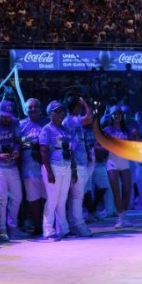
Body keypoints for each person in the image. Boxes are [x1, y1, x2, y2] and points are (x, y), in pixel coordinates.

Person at [0, 99, 25, 240]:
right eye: (4, 116)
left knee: (17, 196)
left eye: (9, 116)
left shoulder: (15, 123)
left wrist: (16, 150)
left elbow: (18, 141)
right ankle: (1, 229)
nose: (6, 119)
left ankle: (12, 226)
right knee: (1, 197)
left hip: (12, 164)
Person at [38, 100, 76, 241]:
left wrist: (73, 168)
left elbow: (70, 150)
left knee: (62, 198)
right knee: (52, 198)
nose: (60, 113)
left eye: (61, 111)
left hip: (66, 165)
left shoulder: (66, 129)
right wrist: (49, 171)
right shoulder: (46, 129)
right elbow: (43, 151)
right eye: (56, 111)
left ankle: (63, 229)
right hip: (53, 166)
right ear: (50, 114)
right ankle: (48, 230)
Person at [103, 105, 137, 229]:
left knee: (127, 189)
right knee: (116, 190)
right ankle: (120, 218)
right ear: (111, 116)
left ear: (122, 116)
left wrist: (134, 136)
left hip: (124, 161)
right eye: (115, 114)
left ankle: (124, 217)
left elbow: (133, 144)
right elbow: (98, 145)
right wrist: (107, 148)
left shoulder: (127, 129)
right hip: (112, 160)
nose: (117, 116)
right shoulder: (106, 130)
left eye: (119, 114)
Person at [64, 97, 94, 237]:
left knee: (75, 196)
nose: (81, 108)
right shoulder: (70, 120)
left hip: (80, 162)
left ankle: (73, 224)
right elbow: (89, 118)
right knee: (77, 196)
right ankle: (79, 224)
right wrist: (85, 103)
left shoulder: (73, 120)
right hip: (75, 164)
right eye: (79, 106)